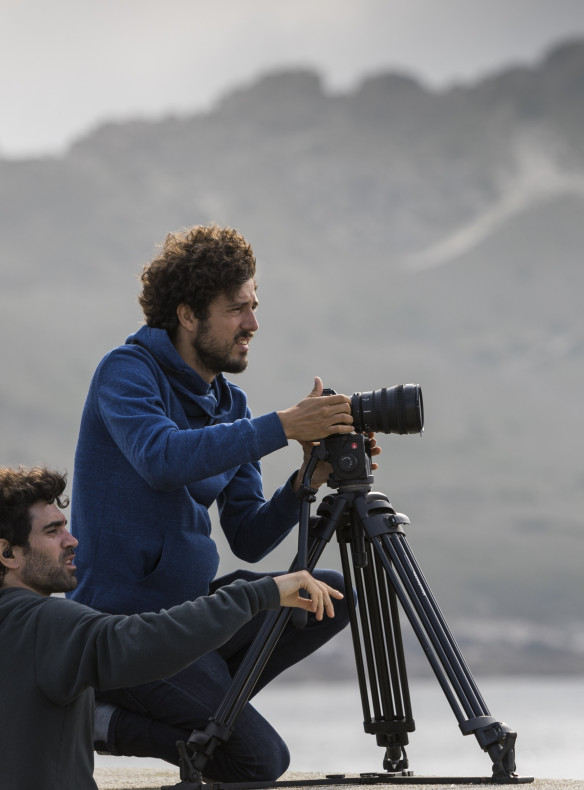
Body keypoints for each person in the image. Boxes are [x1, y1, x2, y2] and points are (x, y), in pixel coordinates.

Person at [68, 224, 377, 781]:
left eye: (254, 306)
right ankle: (106, 720)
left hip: (190, 615)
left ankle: (202, 707)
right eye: (237, 309)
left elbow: (250, 535)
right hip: (124, 628)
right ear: (188, 315)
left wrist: (304, 480)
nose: (253, 324)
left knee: (329, 593)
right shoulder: (126, 371)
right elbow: (161, 458)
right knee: (259, 759)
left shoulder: (230, 404)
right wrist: (282, 426)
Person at [0, 465, 343, 790]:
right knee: (257, 758)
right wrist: (259, 594)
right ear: (8, 554)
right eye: (52, 531)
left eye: (65, 526)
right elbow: (143, 641)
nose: (72, 540)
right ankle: (110, 724)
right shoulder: (45, 622)